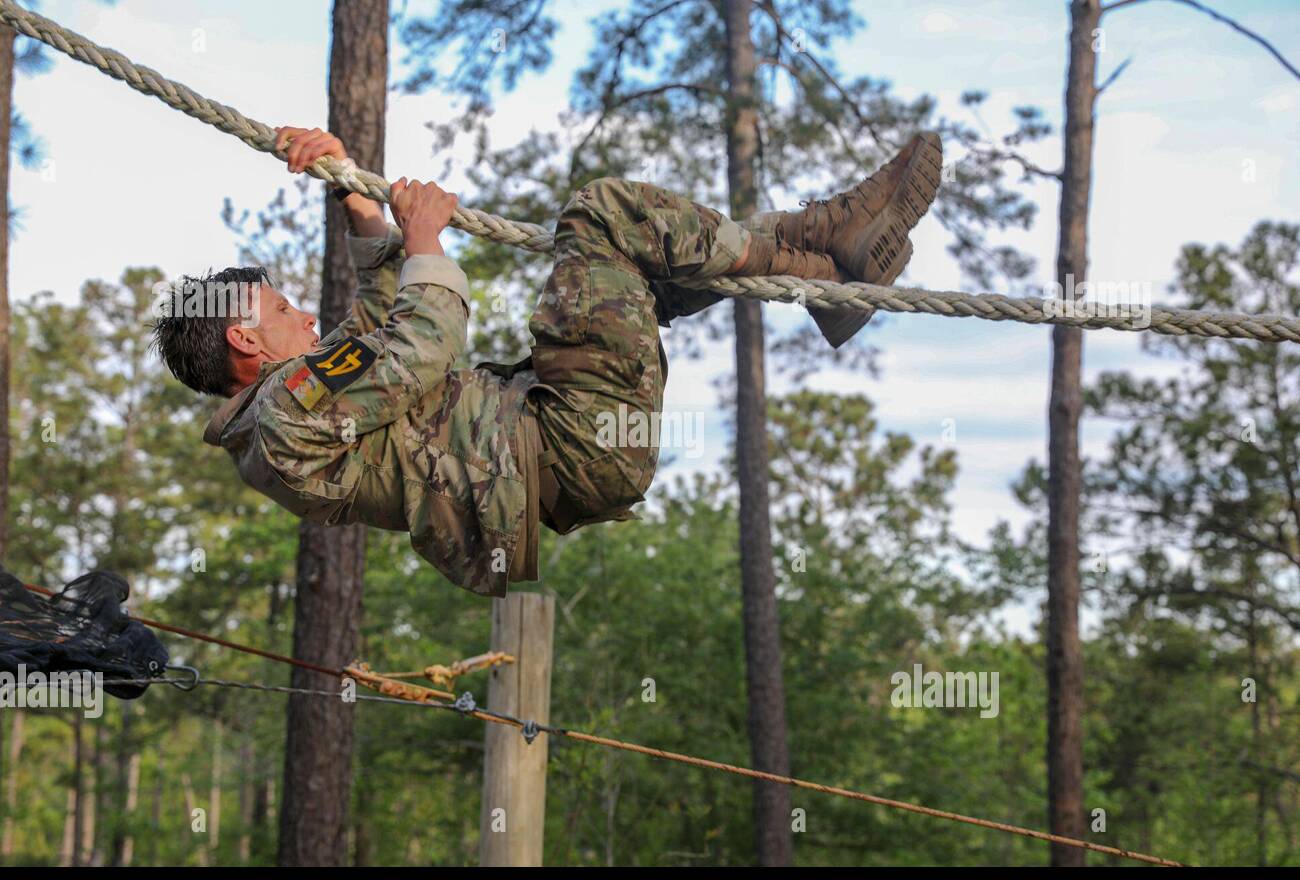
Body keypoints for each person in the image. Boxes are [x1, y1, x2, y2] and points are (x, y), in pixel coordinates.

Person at [153, 126, 942, 596]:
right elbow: (422, 346)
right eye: (282, 311)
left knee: (638, 262)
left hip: (560, 437)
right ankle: (827, 246)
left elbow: (373, 320)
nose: (304, 313)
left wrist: (349, 185)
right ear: (244, 340)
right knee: (602, 215)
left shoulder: (294, 405)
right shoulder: (289, 413)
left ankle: (826, 259)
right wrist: (426, 237)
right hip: (568, 444)